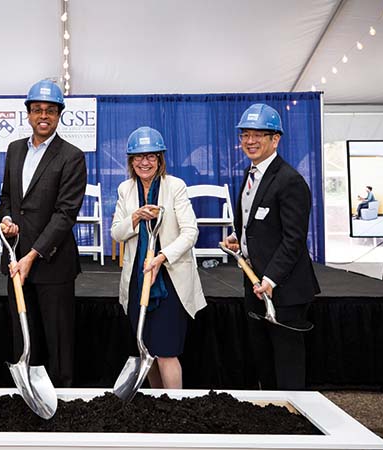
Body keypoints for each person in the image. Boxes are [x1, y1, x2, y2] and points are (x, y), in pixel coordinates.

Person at [222, 103, 320, 390]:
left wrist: (271, 278)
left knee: (287, 368)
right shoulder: (250, 175)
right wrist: (239, 239)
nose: (249, 141)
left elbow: (294, 239)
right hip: (255, 287)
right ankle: (273, 421)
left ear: (275, 139)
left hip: (284, 290)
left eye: (258, 135)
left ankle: (294, 428)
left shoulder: (290, 181)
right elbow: (260, 226)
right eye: (244, 135)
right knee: (263, 361)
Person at [0, 79, 86, 388]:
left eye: (50, 110)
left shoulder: (72, 156)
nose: (43, 115)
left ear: (59, 114)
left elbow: (65, 215)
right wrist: (7, 219)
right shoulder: (14, 149)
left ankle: (62, 398)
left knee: (58, 342)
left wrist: (32, 255)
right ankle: (29, 395)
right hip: (16, 263)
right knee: (23, 337)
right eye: (37, 110)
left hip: (53, 264)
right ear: (28, 114)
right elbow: (7, 198)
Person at [111, 126, 206, 389]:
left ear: (160, 159)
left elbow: (190, 233)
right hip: (138, 280)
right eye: (138, 157)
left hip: (169, 281)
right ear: (131, 161)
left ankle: (174, 408)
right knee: (147, 353)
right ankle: (157, 404)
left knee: (166, 352)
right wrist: (135, 217)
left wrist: (161, 257)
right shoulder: (125, 189)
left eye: (151, 156)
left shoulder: (175, 187)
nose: (145, 162)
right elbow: (117, 233)